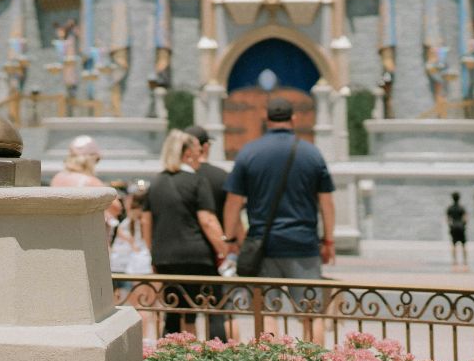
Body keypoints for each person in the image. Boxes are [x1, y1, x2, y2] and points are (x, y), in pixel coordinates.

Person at [222, 99, 336, 279]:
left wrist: (229, 240)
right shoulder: (312, 154)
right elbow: (326, 202)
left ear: (267, 119)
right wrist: (328, 241)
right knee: (307, 306)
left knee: (264, 306)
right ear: (294, 119)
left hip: (263, 246)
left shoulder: (248, 153)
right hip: (303, 246)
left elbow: (233, 201)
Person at [143, 130, 227, 337]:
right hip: (197, 256)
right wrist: (224, 249)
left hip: (166, 257)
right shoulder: (197, 181)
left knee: (174, 312)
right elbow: (207, 220)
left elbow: (146, 220)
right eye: (198, 152)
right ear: (188, 153)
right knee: (213, 310)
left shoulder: (156, 183)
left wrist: (153, 251)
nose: (200, 157)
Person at [446, 192, 469, 270]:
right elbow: (465, 218)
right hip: (461, 226)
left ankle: (455, 261)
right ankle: (465, 261)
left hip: (454, 226)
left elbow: (448, 219)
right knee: (463, 245)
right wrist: (464, 225)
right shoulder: (461, 207)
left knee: (454, 244)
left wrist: (450, 226)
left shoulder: (450, 208)